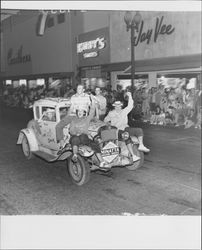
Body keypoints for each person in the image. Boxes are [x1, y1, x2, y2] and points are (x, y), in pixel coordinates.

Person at [56, 96, 108, 168]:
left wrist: (93, 102)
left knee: (93, 144)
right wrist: (76, 133)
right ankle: (75, 155)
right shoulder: (74, 120)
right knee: (75, 139)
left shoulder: (86, 119)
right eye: (79, 111)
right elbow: (71, 130)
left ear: (84, 113)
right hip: (75, 136)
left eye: (82, 111)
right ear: (77, 112)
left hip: (84, 137)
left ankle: (102, 161)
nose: (80, 113)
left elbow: (92, 111)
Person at [104, 92, 150, 162]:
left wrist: (130, 96)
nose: (118, 107)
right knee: (126, 136)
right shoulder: (111, 113)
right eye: (116, 106)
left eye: (119, 106)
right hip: (117, 130)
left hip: (125, 128)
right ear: (114, 106)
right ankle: (133, 155)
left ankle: (141, 145)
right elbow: (105, 120)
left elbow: (130, 105)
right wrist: (109, 124)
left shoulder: (124, 111)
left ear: (121, 106)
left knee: (139, 130)